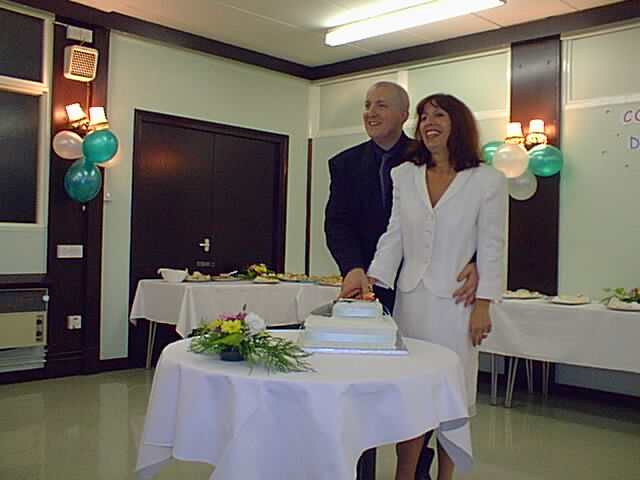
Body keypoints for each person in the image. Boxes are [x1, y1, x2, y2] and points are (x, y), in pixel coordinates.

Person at [324, 82, 478, 480]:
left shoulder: (430, 154)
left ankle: (415, 467)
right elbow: (337, 223)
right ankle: (361, 467)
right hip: (367, 286)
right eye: (367, 105)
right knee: (366, 385)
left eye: (381, 105)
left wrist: (474, 262)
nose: (370, 113)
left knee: (418, 384)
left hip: (424, 292)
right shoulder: (344, 163)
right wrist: (353, 267)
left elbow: (467, 218)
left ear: (403, 115)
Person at [367, 93, 508, 480]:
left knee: (451, 398)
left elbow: (492, 244)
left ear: (457, 123)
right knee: (411, 395)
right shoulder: (404, 174)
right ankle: (405, 474)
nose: (429, 122)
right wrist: (372, 281)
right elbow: (394, 235)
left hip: (457, 307)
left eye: (439, 115)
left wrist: (483, 304)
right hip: (411, 302)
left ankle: (445, 476)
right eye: (424, 116)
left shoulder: (487, 180)